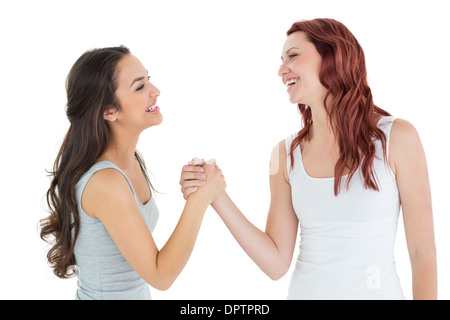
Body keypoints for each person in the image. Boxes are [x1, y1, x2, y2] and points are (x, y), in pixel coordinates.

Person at [180, 18, 437, 299]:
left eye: (293, 56)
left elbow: (422, 254)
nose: (281, 70)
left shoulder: (397, 138)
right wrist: (216, 195)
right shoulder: (284, 154)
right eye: (281, 60)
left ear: (333, 57)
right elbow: (276, 263)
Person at [39, 46, 226, 300]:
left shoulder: (130, 162)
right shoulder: (106, 182)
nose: (155, 91)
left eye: (149, 79)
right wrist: (199, 199)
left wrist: (196, 190)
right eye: (140, 87)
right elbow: (161, 276)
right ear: (109, 111)